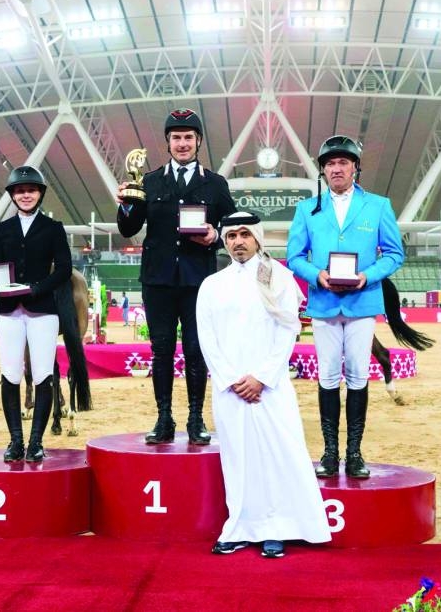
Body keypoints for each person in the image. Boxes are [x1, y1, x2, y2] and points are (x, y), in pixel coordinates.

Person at [197, 212, 332, 558]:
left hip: (270, 387)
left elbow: (289, 331)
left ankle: (278, 528)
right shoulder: (211, 285)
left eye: (244, 235)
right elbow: (206, 339)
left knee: (278, 455)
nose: (238, 241)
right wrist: (230, 379)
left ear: (257, 238)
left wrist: (261, 377)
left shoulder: (281, 278)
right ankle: (240, 526)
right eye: (231, 236)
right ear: (224, 242)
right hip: (230, 390)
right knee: (238, 458)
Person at [286, 135, 404, 479]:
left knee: (356, 374)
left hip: (361, 301)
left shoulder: (378, 206)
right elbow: (295, 256)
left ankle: (354, 453)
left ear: (355, 167)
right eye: (330, 164)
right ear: (323, 171)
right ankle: (329, 452)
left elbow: (395, 253)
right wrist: (316, 274)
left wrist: (367, 276)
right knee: (327, 376)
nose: (337, 169)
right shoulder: (306, 209)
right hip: (323, 302)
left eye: (343, 163)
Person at [116, 108, 236, 445]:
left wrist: (217, 235)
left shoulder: (215, 184)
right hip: (158, 281)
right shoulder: (149, 181)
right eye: (176, 138)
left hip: (198, 281)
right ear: (167, 143)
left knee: (196, 350)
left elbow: (234, 221)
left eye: (187, 137)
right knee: (162, 349)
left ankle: (196, 418)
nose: (182, 143)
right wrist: (126, 203)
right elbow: (129, 228)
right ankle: (164, 417)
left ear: (198, 141)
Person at [0, 166, 71, 463]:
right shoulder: (2, 229)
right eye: (20, 191)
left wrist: (36, 289)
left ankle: (36, 442)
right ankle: (15, 441)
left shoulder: (53, 228)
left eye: (31, 190)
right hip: (9, 312)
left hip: (42, 311)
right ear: (12, 195)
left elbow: (64, 270)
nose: (26, 195)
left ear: (40, 193)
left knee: (43, 374)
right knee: (10, 375)